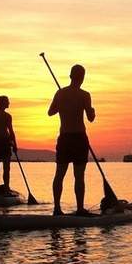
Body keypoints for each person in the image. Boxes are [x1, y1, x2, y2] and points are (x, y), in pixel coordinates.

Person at [48, 64, 96, 216]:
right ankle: (80, 208)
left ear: (70, 76)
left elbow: (51, 112)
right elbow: (91, 118)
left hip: (65, 138)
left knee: (59, 174)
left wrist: (62, 103)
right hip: (79, 138)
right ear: (82, 78)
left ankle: (57, 209)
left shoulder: (60, 93)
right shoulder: (85, 95)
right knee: (79, 176)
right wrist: (92, 111)